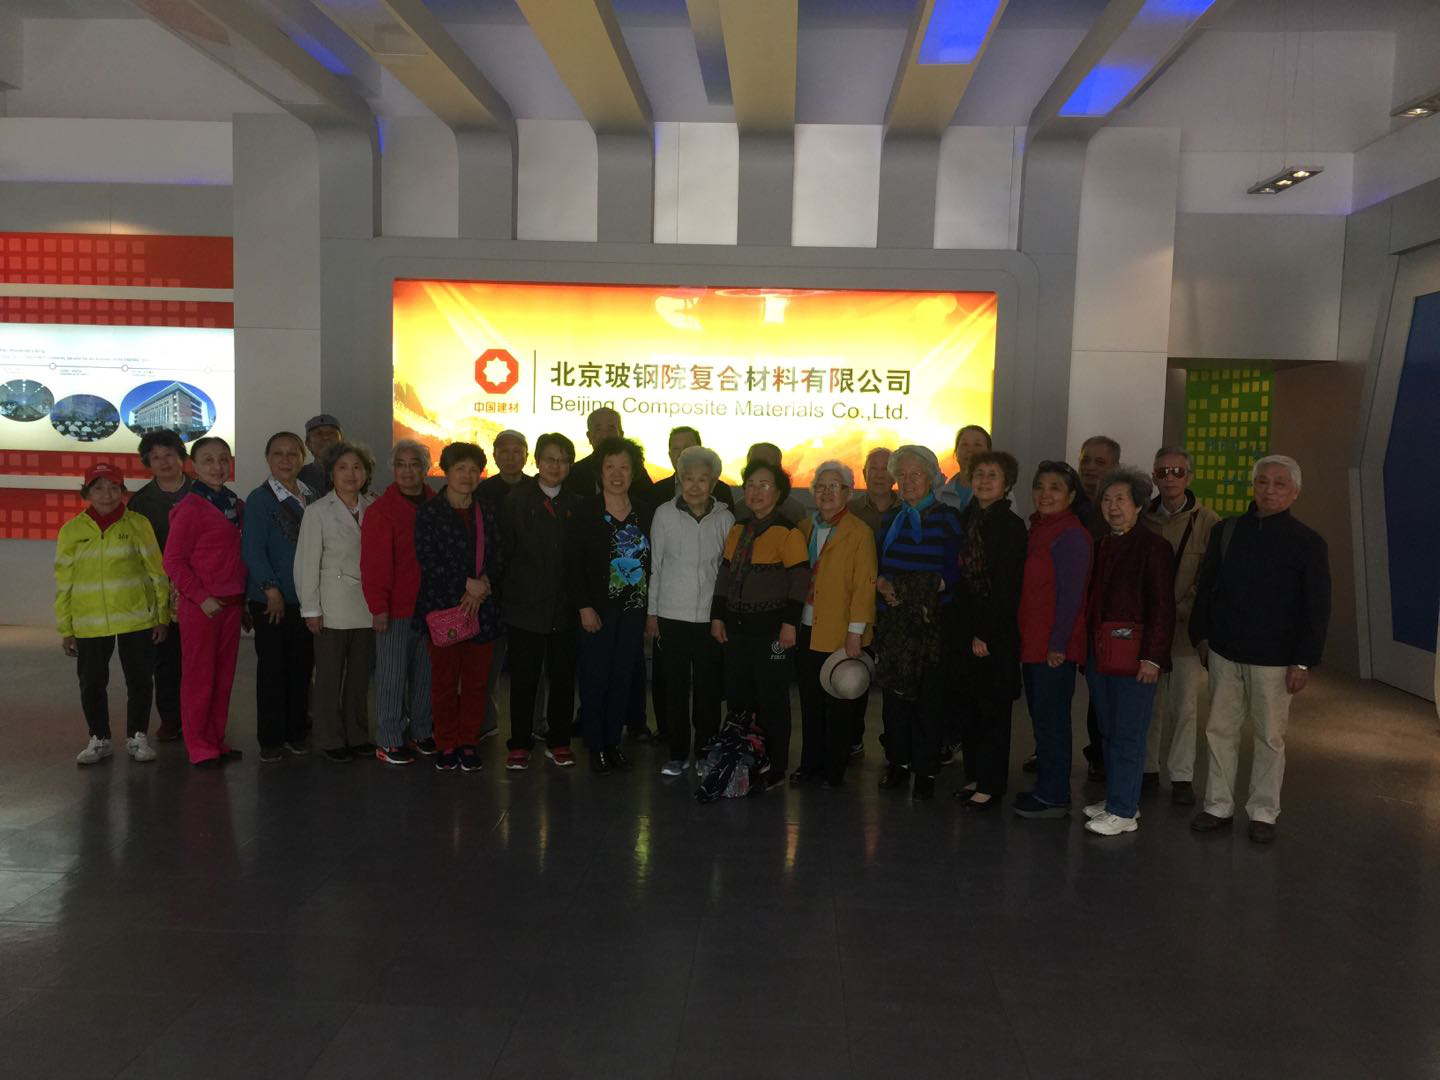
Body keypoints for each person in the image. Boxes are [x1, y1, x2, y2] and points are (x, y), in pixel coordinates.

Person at [1189, 455, 1330, 844]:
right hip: (1224, 650)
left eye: (1279, 484)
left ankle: (1264, 811)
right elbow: (1208, 587)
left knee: (1269, 737)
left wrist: (1303, 660)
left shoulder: (1308, 543)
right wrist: (1201, 636)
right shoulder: (1227, 531)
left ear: (1295, 492)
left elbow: (1316, 607)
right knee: (1219, 730)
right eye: (1262, 482)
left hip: (1276, 659)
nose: (1269, 490)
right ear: (1252, 486)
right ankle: (1217, 805)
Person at [1081, 467, 1176, 836]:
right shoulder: (1103, 544)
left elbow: (1162, 609)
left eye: (1121, 499)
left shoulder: (1154, 548)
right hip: (1102, 652)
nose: (1113, 506)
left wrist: (1152, 658)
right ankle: (1119, 797)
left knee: (1128, 733)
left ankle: (1123, 810)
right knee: (1108, 729)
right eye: (1107, 499)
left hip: (1135, 657)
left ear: (1139, 505)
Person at [55, 462, 169, 766]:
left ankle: (137, 736)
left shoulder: (138, 524)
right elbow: (64, 582)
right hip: (89, 622)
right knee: (91, 682)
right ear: (87, 493)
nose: (106, 494)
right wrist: (66, 627)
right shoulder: (72, 531)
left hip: (136, 618)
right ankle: (99, 738)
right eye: (99, 488)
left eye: (114, 487)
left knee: (140, 680)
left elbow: (157, 572)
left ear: (123, 491)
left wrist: (162, 615)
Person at [872, 445, 964, 801]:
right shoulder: (891, 519)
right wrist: (884, 586)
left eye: (916, 475)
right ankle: (897, 763)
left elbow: (953, 572)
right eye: (902, 475)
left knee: (928, 701)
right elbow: (882, 569)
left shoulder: (947, 518)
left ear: (932, 478)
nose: (908, 481)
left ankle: (925, 770)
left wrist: (909, 592)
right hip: (895, 625)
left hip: (930, 625)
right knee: (895, 701)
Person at [711, 459, 808, 789]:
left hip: (771, 632)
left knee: (772, 700)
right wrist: (717, 616)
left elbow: (799, 581)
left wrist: (790, 624)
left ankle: (776, 766)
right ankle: (744, 758)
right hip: (737, 630)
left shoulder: (789, 532)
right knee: (739, 698)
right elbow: (725, 575)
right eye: (750, 485)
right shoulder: (738, 529)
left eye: (764, 485)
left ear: (778, 492)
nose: (755, 491)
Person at [413, 442, 505, 773]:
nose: (467, 476)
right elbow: (428, 559)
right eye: (460, 469)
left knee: (478, 683)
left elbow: (499, 555)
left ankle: (468, 742)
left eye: (473, 470)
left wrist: (481, 587)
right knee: (445, 682)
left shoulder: (488, 510)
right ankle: (446, 743)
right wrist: (466, 585)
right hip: (443, 609)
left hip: (483, 609)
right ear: (446, 471)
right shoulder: (429, 512)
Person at [646, 445, 733, 776]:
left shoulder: (725, 518)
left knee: (709, 689)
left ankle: (706, 751)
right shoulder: (664, 514)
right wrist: (652, 613)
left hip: (709, 618)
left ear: (713, 483)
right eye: (688, 478)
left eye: (703, 479)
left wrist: (722, 614)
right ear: (679, 480)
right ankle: (678, 753)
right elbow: (655, 566)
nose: (695, 486)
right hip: (671, 615)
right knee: (675, 687)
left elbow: (726, 571)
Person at [1012, 461, 1092, 818]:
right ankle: (1048, 787)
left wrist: (1058, 644)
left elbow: (1071, 596)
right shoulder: (1039, 529)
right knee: (1042, 719)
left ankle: (1055, 795)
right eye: (1040, 486)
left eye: (1055, 487)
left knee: (1052, 721)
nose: (1045, 494)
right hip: (1034, 643)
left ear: (1071, 496)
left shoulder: (1071, 535)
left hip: (1052, 648)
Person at [568, 436, 652, 773]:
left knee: (622, 677)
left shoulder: (645, 511)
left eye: (624, 467)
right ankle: (595, 745)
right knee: (595, 677)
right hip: (596, 610)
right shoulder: (586, 510)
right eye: (610, 467)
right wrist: (584, 606)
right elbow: (572, 564)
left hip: (633, 609)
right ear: (599, 471)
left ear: (634, 472)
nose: (617, 474)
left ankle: (613, 742)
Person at [1141, 447, 1219, 804]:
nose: (1169, 478)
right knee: (1149, 703)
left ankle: (1182, 776)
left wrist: (1181, 608)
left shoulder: (1208, 521)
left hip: (1185, 631)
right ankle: (1147, 769)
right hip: (1149, 629)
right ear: (1154, 477)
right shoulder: (1143, 517)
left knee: (1185, 707)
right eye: (1162, 472)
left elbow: (1210, 576)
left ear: (1189, 476)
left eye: (1177, 471)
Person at [163, 436, 248, 768]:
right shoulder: (190, 508)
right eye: (208, 460)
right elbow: (173, 561)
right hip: (203, 607)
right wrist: (201, 597)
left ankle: (215, 740)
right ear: (193, 466)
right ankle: (199, 745)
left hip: (231, 604)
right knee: (199, 678)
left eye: (223, 459)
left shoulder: (234, 505)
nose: (217, 466)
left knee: (223, 677)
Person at [791, 461, 876, 789]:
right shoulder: (804, 527)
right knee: (810, 701)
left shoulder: (859, 532)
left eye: (834, 486)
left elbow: (864, 586)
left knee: (839, 704)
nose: (826, 492)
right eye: (820, 486)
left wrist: (855, 633)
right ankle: (809, 764)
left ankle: (833, 769)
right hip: (807, 626)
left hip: (841, 631)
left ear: (848, 493)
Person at [500, 433, 580, 770]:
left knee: (563, 679)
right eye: (549, 459)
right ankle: (520, 743)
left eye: (563, 460)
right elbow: (504, 552)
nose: (555, 466)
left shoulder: (578, 503)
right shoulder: (517, 500)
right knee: (523, 679)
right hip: (524, 608)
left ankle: (559, 741)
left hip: (566, 609)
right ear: (537, 461)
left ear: (570, 465)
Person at [951, 451, 1027, 810]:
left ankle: (991, 784)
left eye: (992, 475)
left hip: (993, 631)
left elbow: (1007, 586)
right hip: (964, 626)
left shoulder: (1010, 526)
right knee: (969, 706)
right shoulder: (966, 518)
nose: (983, 481)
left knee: (993, 710)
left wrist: (985, 632)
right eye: (979, 474)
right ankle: (975, 776)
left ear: (1007, 483)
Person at [296, 442, 377, 763]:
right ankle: (330, 737)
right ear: (330, 474)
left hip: (367, 606)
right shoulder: (317, 511)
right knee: (329, 676)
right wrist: (310, 610)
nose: (350, 474)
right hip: (331, 606)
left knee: (359, 676)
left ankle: (357, 734)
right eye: (342, 467)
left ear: (366, 473)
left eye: (357, 467)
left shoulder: (374, 506)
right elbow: (306, 564)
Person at [242, 432, 315, 763]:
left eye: (292, 453)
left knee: (300, 668)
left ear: (302, 458)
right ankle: (271, 738)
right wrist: (270, 589)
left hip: (306, 599)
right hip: (271, 600)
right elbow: (252, 549)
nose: (286, 460)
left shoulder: (312, 496)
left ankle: (296, 732)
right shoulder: (260, 499)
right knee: (272, 669)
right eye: (278, 454)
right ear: (268, 458)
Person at [362, 439, 437, 765]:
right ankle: (389, 739)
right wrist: (378, 607)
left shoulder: (437, 505)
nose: (407, 471)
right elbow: (374, 564)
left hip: (432, 609)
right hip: (396, 609)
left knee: (426, 676)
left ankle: (422, 731)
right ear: (393, 470)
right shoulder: (382, 511)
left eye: (414, 464)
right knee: (391, 677)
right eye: (401, 465)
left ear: (426, 469)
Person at [127, 430, 191, 741]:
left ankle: (198, 716)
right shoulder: (140, 502)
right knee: (165, 658)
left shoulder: (202, 492)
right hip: (160, 590)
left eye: (169, 455)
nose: (164, 462)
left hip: (198, 588)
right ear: (147, 463)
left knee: (198, 657)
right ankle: (170, 718)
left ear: (182, 458)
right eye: (156, 457)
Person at [1072, 433, 1122, 780]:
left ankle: (1102, 756)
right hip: (1069, 610)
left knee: (1101, 690)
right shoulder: (1068, 502)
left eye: (1100, 462)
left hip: (1105, 615)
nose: (1090, 467)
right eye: (1086, 460)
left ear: (1115, 466)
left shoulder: (1120, 508)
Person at [477, 430, 529, 740]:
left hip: (527, 592)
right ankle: (487, 722)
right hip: (490, 591)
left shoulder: (537, 488)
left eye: (517, 451)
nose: (510, 457)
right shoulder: (482, 491)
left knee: (530, 666)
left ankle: (534, 724)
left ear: (527, 455)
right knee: (488, 665)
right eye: (504, 451)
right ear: (494, 455)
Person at [563, 407, 655, 500]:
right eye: (598, 429)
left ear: (621, 434)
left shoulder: (635, 469)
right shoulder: (575, 472)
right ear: (589, 436)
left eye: (611, 428)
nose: (605, 435)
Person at [649, 426, 735, 510]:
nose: (681, 454)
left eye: (687, 448)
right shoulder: (656, 492)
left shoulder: (720, 490)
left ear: (700, 451)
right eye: (676, 449)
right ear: (669, 455)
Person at [730, 442, 806, 523]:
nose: (759, 472)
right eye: (754, 466)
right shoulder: (738, 511)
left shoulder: (794, 511)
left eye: (766, 467)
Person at [938, 424, 993, 512]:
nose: (970, 450)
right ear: (956, 452)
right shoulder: (940, 494)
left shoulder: (999, 492)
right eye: (964, 444)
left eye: (977, 445)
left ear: (989, 453)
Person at [847, 447, 898, 536]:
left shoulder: (908, 512)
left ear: (895, 477)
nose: (879, 475)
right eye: (874, 468)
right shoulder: (849, 511)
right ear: (864, 474)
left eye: (885, 469)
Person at [298, 413, 343, 494]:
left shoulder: (354, 473)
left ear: (341, 441)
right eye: (319, 433)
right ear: (308, 444)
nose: (326, 437)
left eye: (331, 433)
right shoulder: (298, 476)